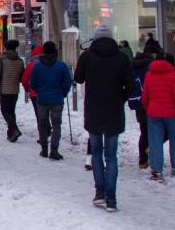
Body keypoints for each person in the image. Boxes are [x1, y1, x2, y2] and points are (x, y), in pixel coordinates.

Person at [73, 26, 134, 213]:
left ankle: (99, 192)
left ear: (95, 38)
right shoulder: (122, 58)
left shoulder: (87, 56)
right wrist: (119, 97)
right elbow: (131, 87)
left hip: (93, 111)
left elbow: (78, 78)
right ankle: (112, 198)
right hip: (114, 112)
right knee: (112, 155)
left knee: (97, 152)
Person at [142, 54, 175, 181]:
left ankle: (157, 171)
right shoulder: (173, 75)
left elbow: (145, 97)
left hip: (154, 113)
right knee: (174, 139)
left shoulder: (149, 75)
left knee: (155, 142)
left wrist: (149, 108)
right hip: (172, 113)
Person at [27, 41, 72, 161]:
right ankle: (54, 149)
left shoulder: (37, 66)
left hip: (42, 99)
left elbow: (33, 83)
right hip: (57, 99)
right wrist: (62, 93)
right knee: (56, 125)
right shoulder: (61, 66)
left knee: (42, 124)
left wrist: (40, 91)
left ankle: (44, 148)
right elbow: (67, 82)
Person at [129, 38, 161, 169]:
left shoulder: (136, 63)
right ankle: (151, 154)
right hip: (151, 102)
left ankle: (143, 160)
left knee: (144, 131)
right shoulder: (151, 66)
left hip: (138, 101)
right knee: (156, 131)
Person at [0, 39, 25, 143]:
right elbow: (22, 76)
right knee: (11, 111)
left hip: (4, 89)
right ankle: (11, 133)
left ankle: (15, 129)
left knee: (5, 111)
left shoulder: (1, 59)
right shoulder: (20, 61)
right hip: (15, 89)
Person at [21, 44, 44, 127]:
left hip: (34, 93)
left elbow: (24, 80)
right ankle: (47, 126)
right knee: (47, 111)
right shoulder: (49, 64)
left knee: (38, 112)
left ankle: (43, 130)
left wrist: (27, 89)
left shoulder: (31, 65)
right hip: (47, 93)